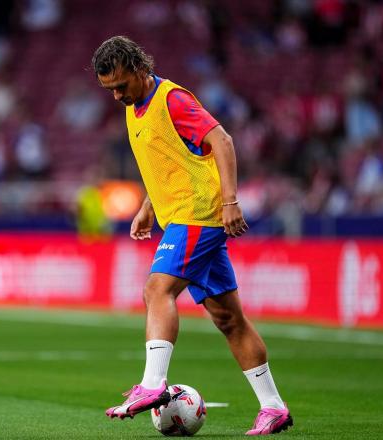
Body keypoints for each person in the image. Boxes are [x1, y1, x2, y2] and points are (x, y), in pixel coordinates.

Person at [92, 36, 293, 436]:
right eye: (109, 89)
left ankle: (152, 384)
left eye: (120, 85)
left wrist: (230, 201)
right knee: (228, 318)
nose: (116, 95)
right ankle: (274, 408)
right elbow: (166, 163)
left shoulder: (173, 100)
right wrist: (149, 206)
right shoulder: (135, 108)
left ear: (137, 68)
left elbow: (221, 140)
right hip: (179, 216)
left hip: (199, 214)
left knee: (156, 289)